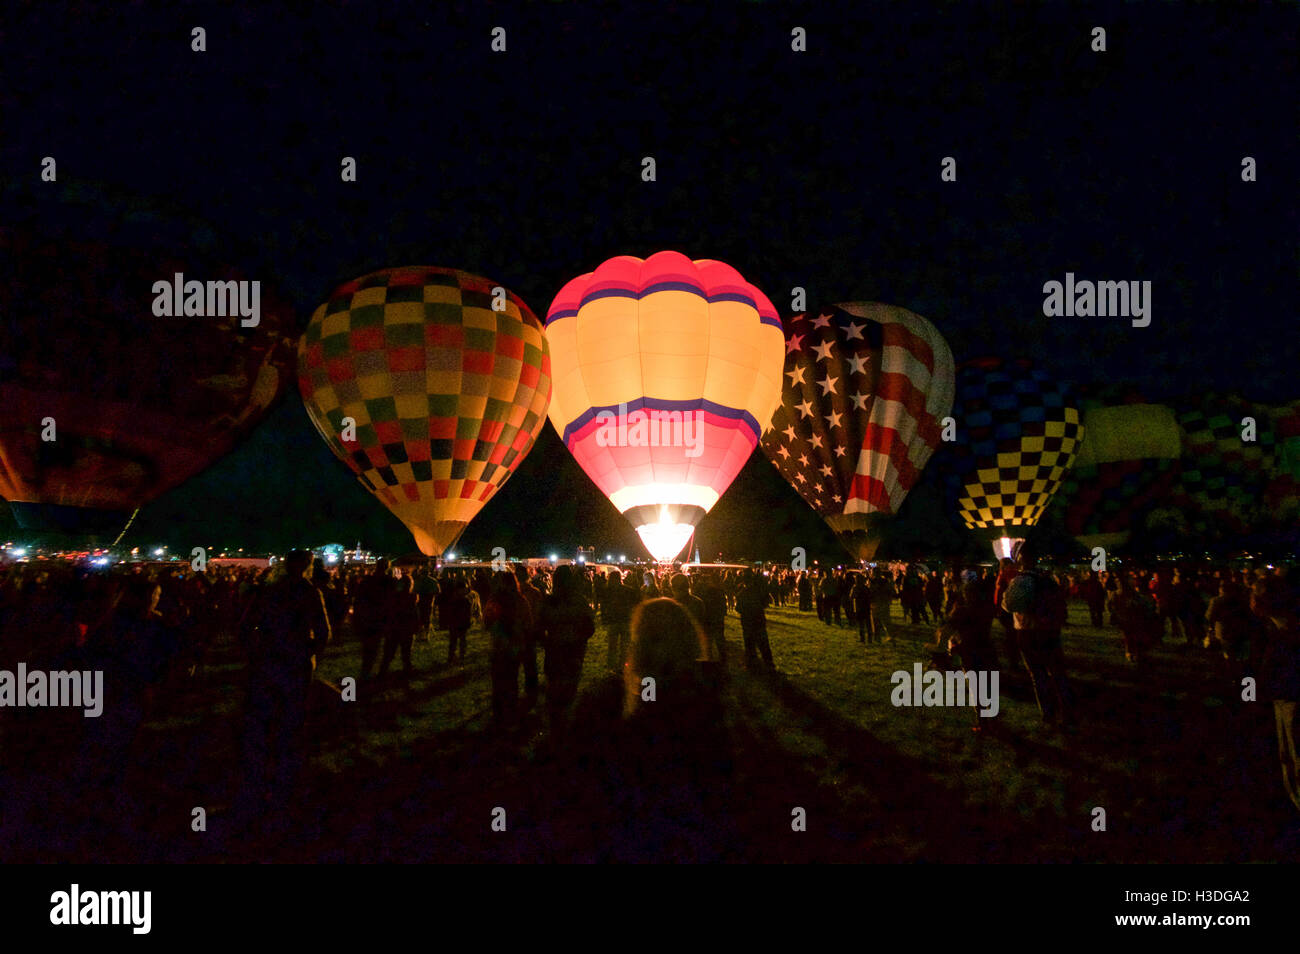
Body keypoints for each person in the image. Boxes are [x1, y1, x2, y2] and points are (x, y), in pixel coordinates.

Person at [236, 549, 331, 815]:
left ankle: (257, 772)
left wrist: (253, 651)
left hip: (267, 660)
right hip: (296, 662)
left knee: (264, 717)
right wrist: (309, 651)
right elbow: (324, 632)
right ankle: (287, 777)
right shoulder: (309, 592)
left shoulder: (268, 591)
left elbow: (244, 626)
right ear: (308, 566)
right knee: (293, 717)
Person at [1250, 576, 1300, 811]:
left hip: (1290, 702)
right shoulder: (1273, 627)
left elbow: (1251, 669)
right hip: (1283, 700)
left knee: (1294, 755)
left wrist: (1248, 698)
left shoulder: (1281, 632)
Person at [484, 572, 533, 731]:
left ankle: (499, 714)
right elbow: (528, 623)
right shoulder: (520, 600)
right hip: (514, 645)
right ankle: (510, 712)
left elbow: (487, 621)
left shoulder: (495, 600)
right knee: (511, 680)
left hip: (499, 646)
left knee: (498, 681)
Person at [736, 569, 774, 671]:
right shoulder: (758, 591)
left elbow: (738, 609)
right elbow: (766, 603)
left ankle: (752, 664)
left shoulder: (742, 593)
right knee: (763, 643)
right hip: (759, 620)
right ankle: (769, 663)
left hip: (748, 622)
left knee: (749, 645)